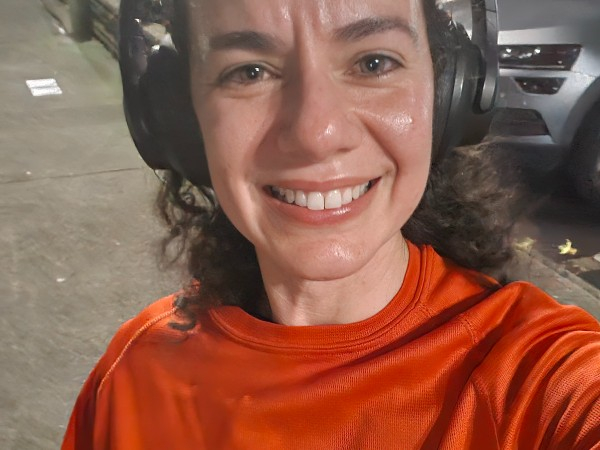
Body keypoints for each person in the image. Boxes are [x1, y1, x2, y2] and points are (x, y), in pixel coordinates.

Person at [62, 0, 600, 448]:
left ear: (446, 94)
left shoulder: (541, 377)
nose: (316, 134)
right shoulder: (134, 379)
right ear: (182, 118)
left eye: (373, 63)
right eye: (249, 72)